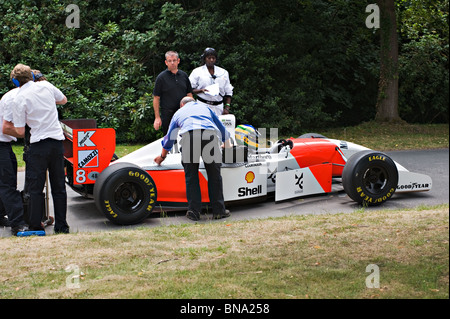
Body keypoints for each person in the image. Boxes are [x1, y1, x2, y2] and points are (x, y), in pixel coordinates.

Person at [10, 63, 70, 234]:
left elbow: (20, 131)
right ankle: (62, 226)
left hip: (38, 144)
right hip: (56, 142)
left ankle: (36, 225)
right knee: (59, 186)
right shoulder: (46, 85)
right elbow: (63, 100)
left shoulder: (19, 98)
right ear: (32, 76)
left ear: (15, 81)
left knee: (36, 188)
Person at [154, 96, 232, 221]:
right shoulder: (205, 108)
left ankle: (194, 212)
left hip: (189, 137)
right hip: (209, 135)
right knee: (214, 175)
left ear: (181, 105)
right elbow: (220, 127)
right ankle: (219, 211)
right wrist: (226, 143)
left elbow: (170, 138)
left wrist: (162, 157)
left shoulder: (179, 113)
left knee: (191, 177)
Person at [0, 70, 28, 235]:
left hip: (4, 143)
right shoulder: (14, 98)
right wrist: (28, 134)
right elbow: (7, 127)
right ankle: (18, 224)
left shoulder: (15, 94)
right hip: (1, 143)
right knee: (8, 184)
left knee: (5, 182)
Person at [153, 51, 193, 135]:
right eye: (169, 60)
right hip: (168, 115)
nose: (172, 63)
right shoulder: (161, 78)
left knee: (186, 137)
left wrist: (192, 111)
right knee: (169, 139)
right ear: (166, 62)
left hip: (183, 114)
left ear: (178, 61)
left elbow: (189, 95)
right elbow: (156, 98)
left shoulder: (184, 76)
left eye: (174, 60)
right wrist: (157, 118)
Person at [189, 48, 234, 117]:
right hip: (202, 105)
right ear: (204, 59)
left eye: (213, 58)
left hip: (218, 107)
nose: (211, 60)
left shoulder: (223, 72)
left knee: (217, 127)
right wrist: (201, 90)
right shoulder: (197, 72)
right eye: (209, 58)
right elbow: (189, 89)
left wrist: (227, 108)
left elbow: (228, 92)